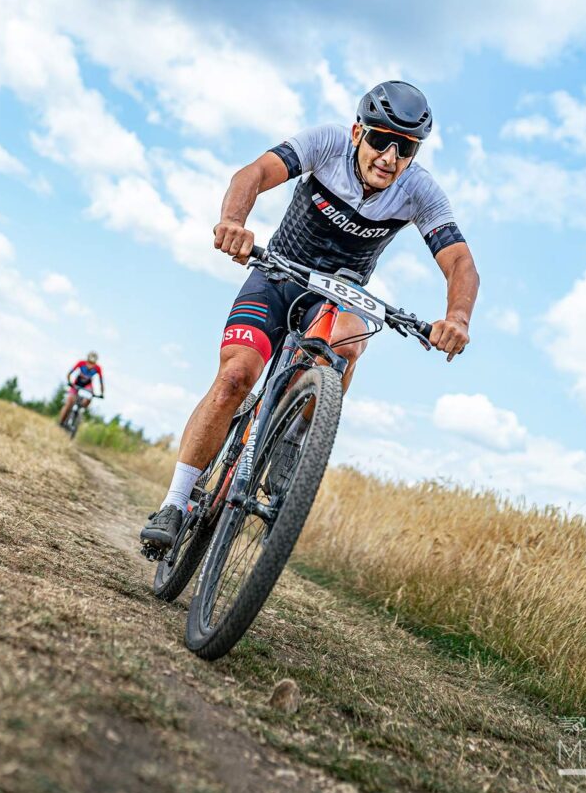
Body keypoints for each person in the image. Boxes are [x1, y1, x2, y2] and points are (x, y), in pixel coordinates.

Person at [139, 80, 480, 550]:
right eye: (381, 139)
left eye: (406, 149)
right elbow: (254, 173)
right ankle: (176, 503)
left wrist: (457, 318)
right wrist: (234, 222)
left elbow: (460, 262)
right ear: (358, 131)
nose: (389, 158)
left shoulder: (418, 191)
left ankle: (296, 437)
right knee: (236, 376)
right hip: (278, 275)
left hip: (337, 296)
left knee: (350, 339)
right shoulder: (326, 142)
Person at [59, 352, 105, 426]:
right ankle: (61, 421)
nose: (90, 365)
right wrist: (69, 382)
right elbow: (69, 373)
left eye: (92, 363)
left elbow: (101, 382)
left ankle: (79, 411)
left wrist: (102, 393)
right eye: (89, 362)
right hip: (77, 383)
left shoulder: (98, 368)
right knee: (69, 402)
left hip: (87, 385)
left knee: (89, 397)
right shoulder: (81, 363)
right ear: (87, 360)